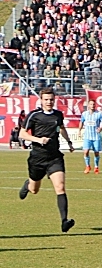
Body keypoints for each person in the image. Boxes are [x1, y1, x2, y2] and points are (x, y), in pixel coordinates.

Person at [17, 87, 75, 233]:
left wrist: (69, 142)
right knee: (34, 190)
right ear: (41, 100)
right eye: (46, 99)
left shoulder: (58, 115)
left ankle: (64, 221)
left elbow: (61, 128)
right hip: (37, 158)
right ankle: (27, 185)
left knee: (60, 186)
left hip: (54, 157)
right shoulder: (34, 115)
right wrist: (38, 139)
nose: (49, 102)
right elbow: (22, 134)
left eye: (51, 99)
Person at [78, 99, 102, 174]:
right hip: (87, 136)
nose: (92, 106)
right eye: (91, 104)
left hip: (96, 137)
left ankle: (96, 167)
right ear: (88, 105)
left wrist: (101, 128)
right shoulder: (84, 114)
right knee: (86, 151)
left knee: (96, 152)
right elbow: (81, 121)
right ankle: (87, 166)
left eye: (93, 104)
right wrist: (79, 130)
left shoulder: (99, 114)